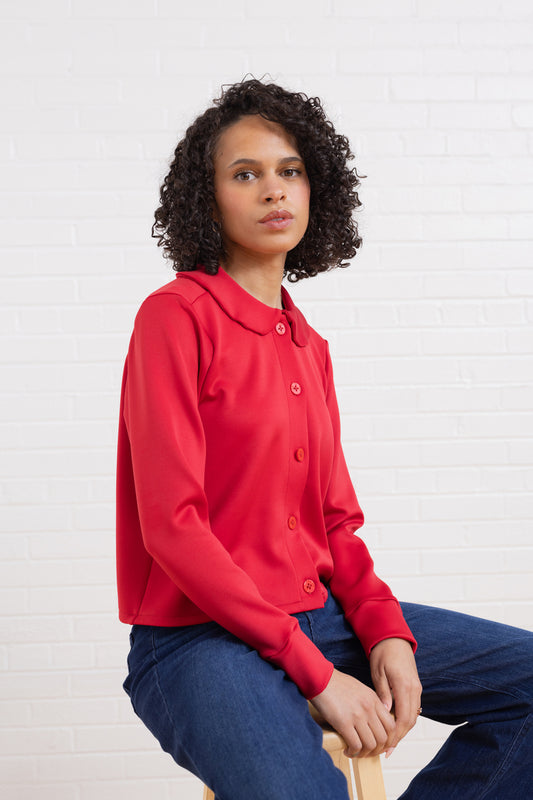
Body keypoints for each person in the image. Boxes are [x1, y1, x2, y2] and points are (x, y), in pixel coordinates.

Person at [117, 79, 533, 800]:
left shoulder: (308, 344)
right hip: (200, 639)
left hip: (320, 616)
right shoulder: (175, 317)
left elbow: (334, 524)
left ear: (317, 189)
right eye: (245, 175)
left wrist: (386, 632)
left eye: (290, 171)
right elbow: (172, 528)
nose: (273, 191)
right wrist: (317, 674)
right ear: (207, 197)